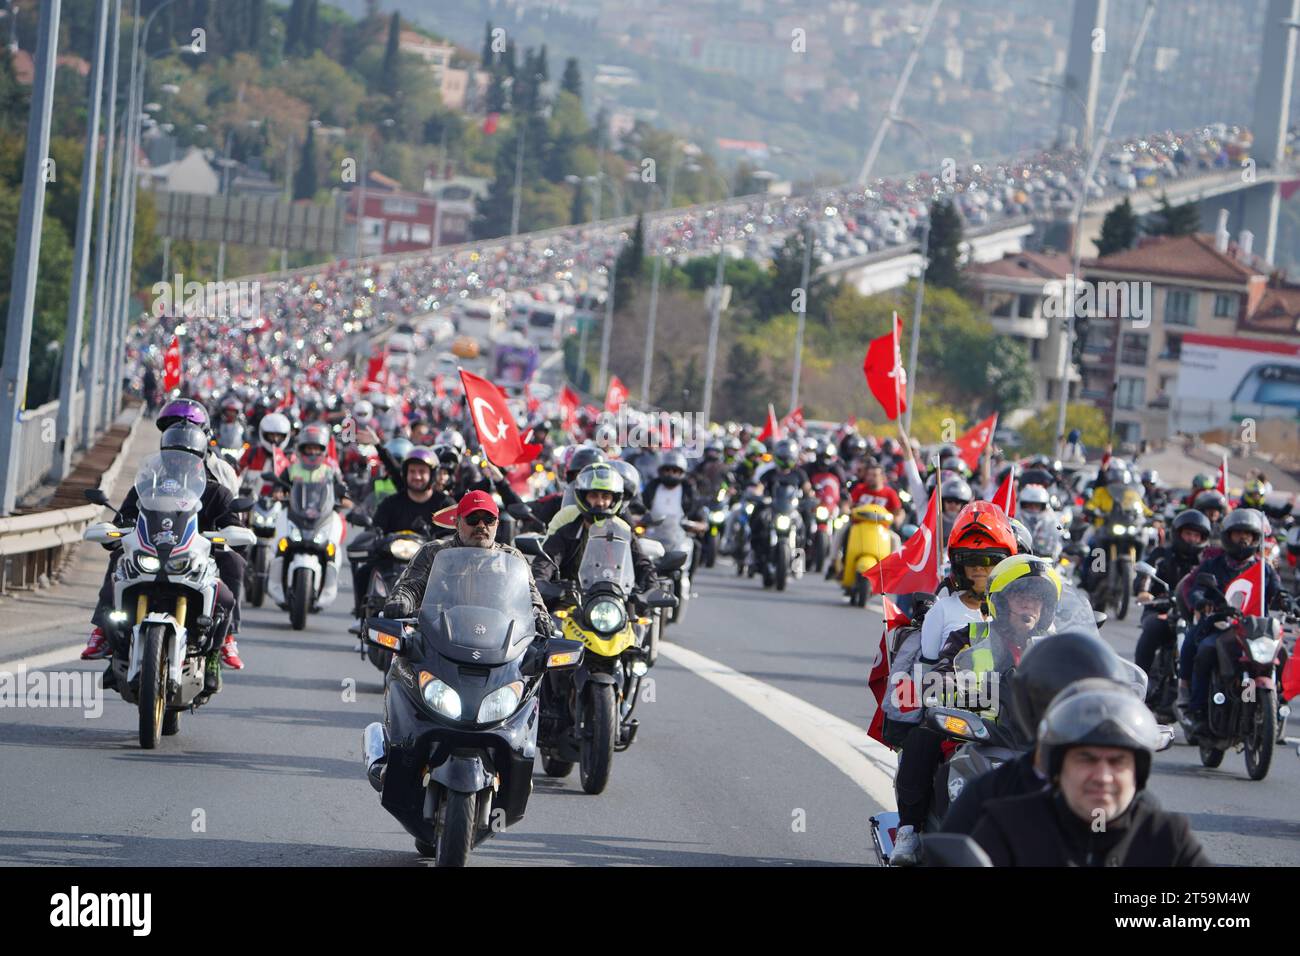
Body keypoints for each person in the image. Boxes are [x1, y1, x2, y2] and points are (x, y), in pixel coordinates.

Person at [892, 503, 1017, 864]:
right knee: (921, 739)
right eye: (972, 561)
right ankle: (909, 830)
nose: (980, 569)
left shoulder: (1025, 611)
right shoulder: (944, 611)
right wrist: (951, 691)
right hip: (960, 712)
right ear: (958, 565)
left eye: (990, 560)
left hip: (1016, 715)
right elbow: (928, 670)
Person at [969, 679, 1210, 866]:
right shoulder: (1007, 827)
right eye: (1086, 759)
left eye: (1117, 762)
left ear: (1137, 772)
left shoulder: (1165, 836)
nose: (1103, 777)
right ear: (1058, 768)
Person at [82, 424, 244, 674]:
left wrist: (229, 535)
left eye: (186, 456)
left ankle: (218, 648)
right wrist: (116, 532)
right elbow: (123, 520)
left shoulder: (215, 492)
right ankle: (105, 633)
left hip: (198, 561)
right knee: (118, 561)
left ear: (200, 458)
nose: (180, 462)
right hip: (151, 553)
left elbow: (232, 524)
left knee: (228, 586)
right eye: (173, 455)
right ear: (164, 456)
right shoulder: (146, 487)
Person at [940, 632, 1136, 836]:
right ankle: (911, 826)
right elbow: (954, 852)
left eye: (1085, 706)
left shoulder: (1125, 800)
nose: (1103, 776)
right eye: (1050, 703)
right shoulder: (987, 792)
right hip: (999, 736)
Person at [382, 491, 553, 640]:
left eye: (488, 520)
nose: (481, 526)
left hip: (499, 647)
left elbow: (530, 596)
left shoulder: (511, 558)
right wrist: (400, 600)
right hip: (435, 642)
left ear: (497, 524)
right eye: (473, 519)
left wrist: (540, 616)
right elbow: (411, 586)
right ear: (457, 523)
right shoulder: (432, 552)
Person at [1177, 508, 1283, 736]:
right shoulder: (1212, 565)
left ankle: (1275, 705)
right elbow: (1196, 590)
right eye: (1238, 533)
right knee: (1204, 649)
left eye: (1249, 534)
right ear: (1228, 536)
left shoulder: (1263, 569)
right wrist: (1202, 602)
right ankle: (1198, 710)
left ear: (1256, 539)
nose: (1243, 538)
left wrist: (1289, 602)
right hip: (1221, 624)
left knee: (1280, 654)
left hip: (1254, 629)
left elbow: (1279, 592)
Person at [533, 463, 654, 593]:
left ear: (614, 500)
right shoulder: (567, 532)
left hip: (616, 600)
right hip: (571, 598)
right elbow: (547, 560)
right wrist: (541, 582)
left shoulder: (623, 531)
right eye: (594, 495)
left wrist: (652, 588)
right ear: (583, 497)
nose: (600, 502)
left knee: (639, 613)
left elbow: (641, 563)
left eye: (606, 497)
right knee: (550, 613)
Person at [1132, 509, 1211, 680]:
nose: (1192, 538)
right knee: (1153, 628)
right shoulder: (1162, 555)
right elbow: (1146, 574)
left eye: (1196, 535)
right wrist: (1144, 591)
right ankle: (1139, 681)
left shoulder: (1207, 561)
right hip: (1161, 609)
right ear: (1178, 533)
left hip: (1195, 613)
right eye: (1188, 533)